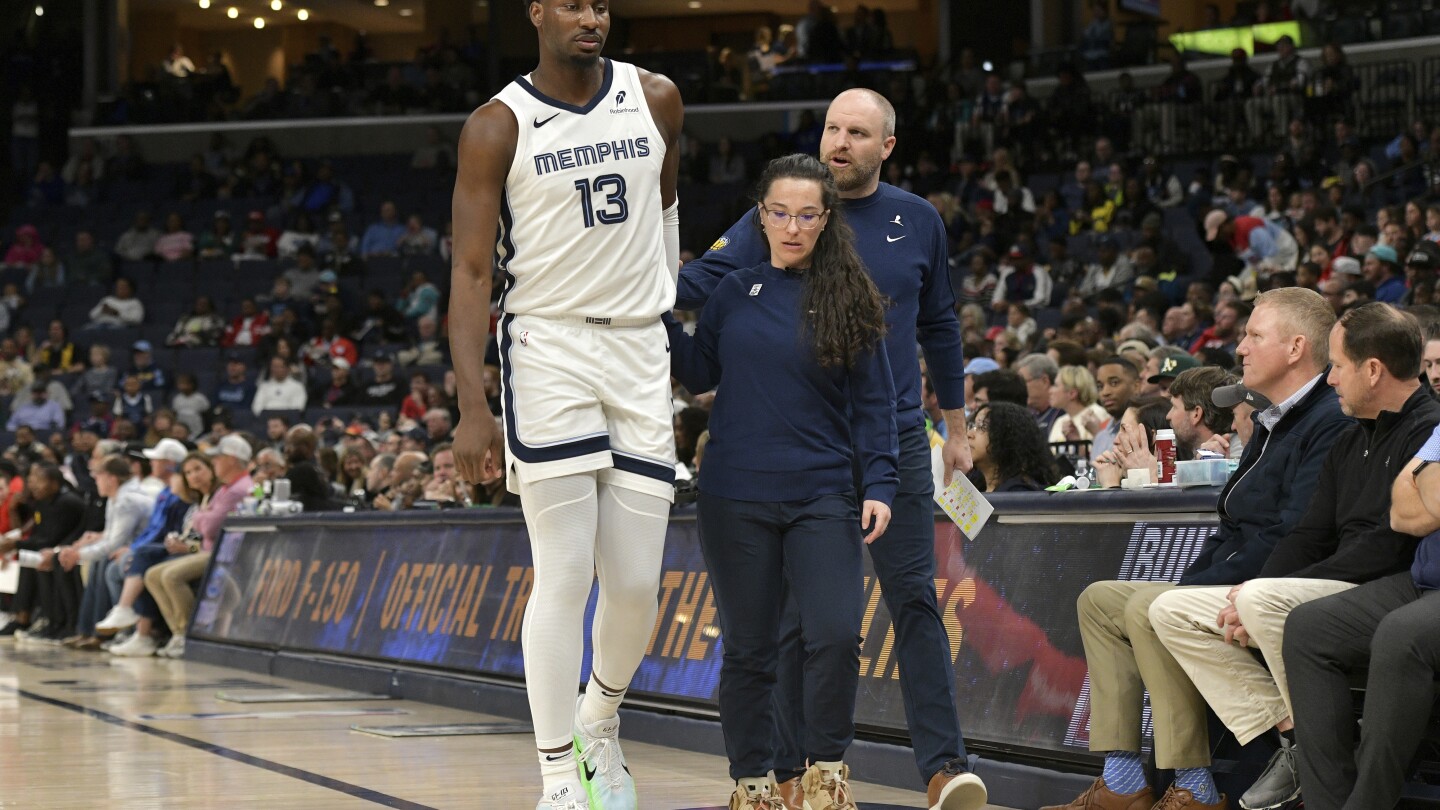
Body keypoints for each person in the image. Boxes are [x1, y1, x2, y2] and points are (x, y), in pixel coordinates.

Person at [675, 88, 985, 810]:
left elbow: (940, 326)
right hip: (792, 446)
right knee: (786, 625)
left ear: (887, 147)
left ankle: (943, 767)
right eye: (831, 128)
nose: (839, 142)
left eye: (857, 132)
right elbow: (699, 285)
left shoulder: (919, 221)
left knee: (913, 598)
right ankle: (788, 773)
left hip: (895, 435)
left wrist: (959, 428)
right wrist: (629, 282)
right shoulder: (787, 213)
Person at [447, 2, 685, 808]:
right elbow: (473, 273)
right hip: (546, 347)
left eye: (602, 5)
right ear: (537, 11)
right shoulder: (497, 125)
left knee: (635, 585)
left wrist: (663, 316)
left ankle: (599, 725)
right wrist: (471, 402)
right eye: (574, 3)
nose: (592, 17)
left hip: (637, 349)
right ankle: (557, 778)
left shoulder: (656, 99)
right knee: (565, 573)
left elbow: (664, 221)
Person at [1041, 288, 1351, 810]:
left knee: (1152, 605)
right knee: (1099, 600)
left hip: (1284, 582)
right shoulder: (1273, 418)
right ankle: (1122, 782)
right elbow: (1232, 523)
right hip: (1239, 574)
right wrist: (1198, 579)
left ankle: (1194, 786)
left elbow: (1294, 535)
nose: (1242, 348)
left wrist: (1201, 588)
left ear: (1296, 348)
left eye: (1254, 335)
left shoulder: (1328, 418)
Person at [666, 154, 897, 810]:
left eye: (806, 215)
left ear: (825, 221)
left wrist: (879, 482)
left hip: (823, 492)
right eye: (779, 213)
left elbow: (877, 404)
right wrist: (655, 312)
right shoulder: (734, 291)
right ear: (759, 216)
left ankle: (826, 776)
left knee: (833, 633)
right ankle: (755, 785)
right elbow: (699, 373)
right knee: (749, 648)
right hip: (733, 495)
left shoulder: (852, 300)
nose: (792, 227)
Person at [1150, 303, 1440, 810]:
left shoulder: (1423, 424)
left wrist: (1264, 590)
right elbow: (1309, 532)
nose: (1331, 382)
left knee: (1275, 604)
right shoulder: (1353, 434)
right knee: (1167, 609)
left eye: (1339, 368)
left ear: (1372, 370)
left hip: (1382, 581)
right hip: (1345, 580)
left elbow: (1396, 533)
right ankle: (1297, 741)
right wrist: (1248, 591)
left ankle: (1328, 763)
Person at [968, 401, 1057, 492]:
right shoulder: (974, 487)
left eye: (982, 426)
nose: (969, 434)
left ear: (1006, 437)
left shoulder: (1018, 492)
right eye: (972, 426)